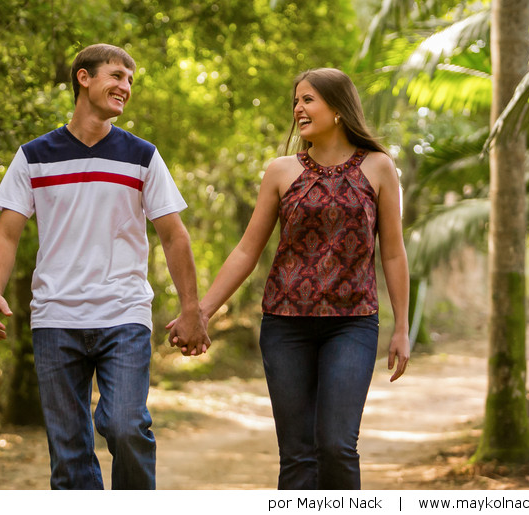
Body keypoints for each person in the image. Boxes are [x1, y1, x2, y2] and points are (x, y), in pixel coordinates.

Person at [169, 67, 410, 490]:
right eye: (295, 101)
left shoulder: (379, 167)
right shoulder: (280, 171)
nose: (298, 108)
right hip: (285, 325)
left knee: (336, 446)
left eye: (308, 99)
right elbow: (247, 250)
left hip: (352, 324)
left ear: (338, 109)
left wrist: (402, 328)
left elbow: (392, 251)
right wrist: (201, 311)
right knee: (297, 456)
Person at [0, 43, 209, 490]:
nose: (125, 87)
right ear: (83, 78)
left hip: (122, 314)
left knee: (125, 425)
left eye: (129, 80)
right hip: (55, 318)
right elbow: (6, 232)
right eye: (116, 75)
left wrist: (190, 308)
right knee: (68, 456)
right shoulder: (34, 156)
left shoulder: (142, 156)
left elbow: (173, 234)